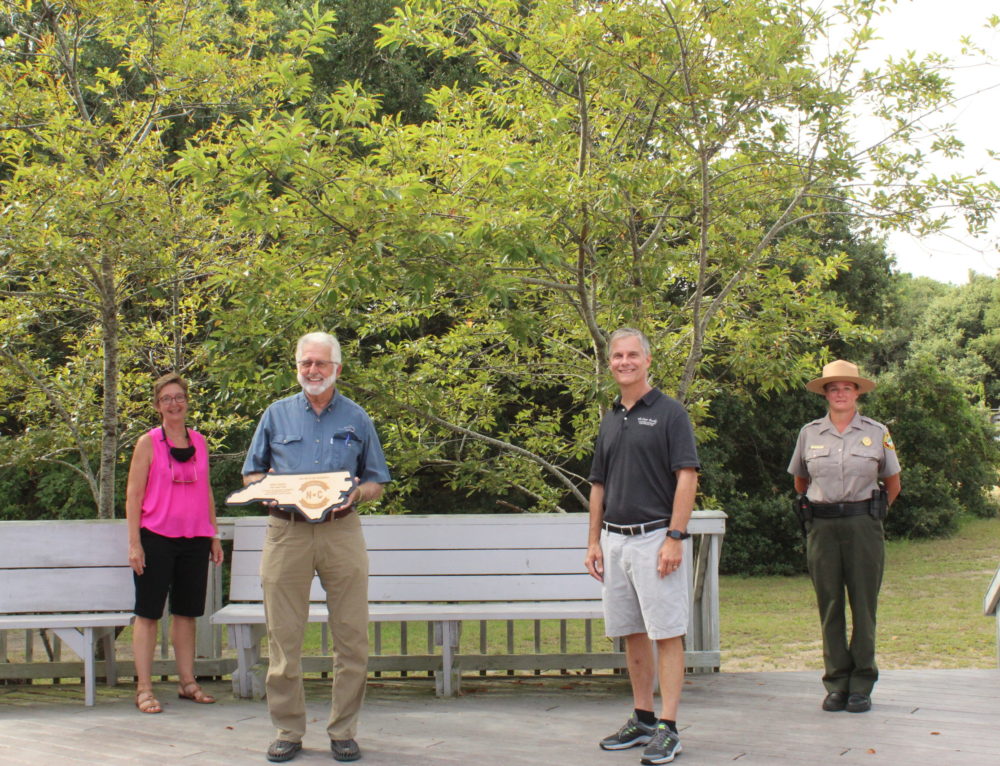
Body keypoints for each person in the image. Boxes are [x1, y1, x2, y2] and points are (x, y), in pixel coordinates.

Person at [242, 331, 391, 764]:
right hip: (285, 532)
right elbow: (251, 474)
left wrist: (357, 495)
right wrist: (265, 490)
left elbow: (376, 481)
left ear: (337, 369)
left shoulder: (358, 418)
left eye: (321, 363)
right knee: (283, 638)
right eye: (306, 363)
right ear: (297, 368)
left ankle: (343, 730)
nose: (313, 370)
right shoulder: (275, 415)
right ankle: (288, 730)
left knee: (351, 638)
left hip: (341, 532)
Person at [585, 328, 700, 766]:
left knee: (666, 633)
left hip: (656, 540)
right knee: (631, 632)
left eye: (633, 355)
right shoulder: (611, 416)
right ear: (610, 363)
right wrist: (593, 541)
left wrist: (674, 536)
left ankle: (669, 729)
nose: (624, 362)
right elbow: (598, 484)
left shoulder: (671, 414)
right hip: (614, 541)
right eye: (617, 356)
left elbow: (687, 475)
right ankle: (644, 718)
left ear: (647, 361)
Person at [788, 359, 901, 714]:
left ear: (857, 392)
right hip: (821, 526)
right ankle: (836, 682)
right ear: (825, 393)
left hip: (862, 524)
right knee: (830, 604)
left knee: (864, 604)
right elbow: (800, 481)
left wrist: (872, 513)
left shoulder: (877, 431)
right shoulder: (809, 433)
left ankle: (862, 683)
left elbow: (892, 481)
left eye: (847, 387)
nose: (840, 393)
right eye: (833, 388)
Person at [125, 373, 224, 714]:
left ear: (186, 401)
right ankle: (144, 688)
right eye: (166, 398)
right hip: (156, 537)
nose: (173, 403)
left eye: (179, 396)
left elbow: (206, 490)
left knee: (186, 613)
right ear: (157, 406)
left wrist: (212, 533)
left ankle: (187, 682)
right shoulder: (148, 442)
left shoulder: (199, 440)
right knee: (148, 613)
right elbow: (134, 494)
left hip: (195, 538)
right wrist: (135, 543)